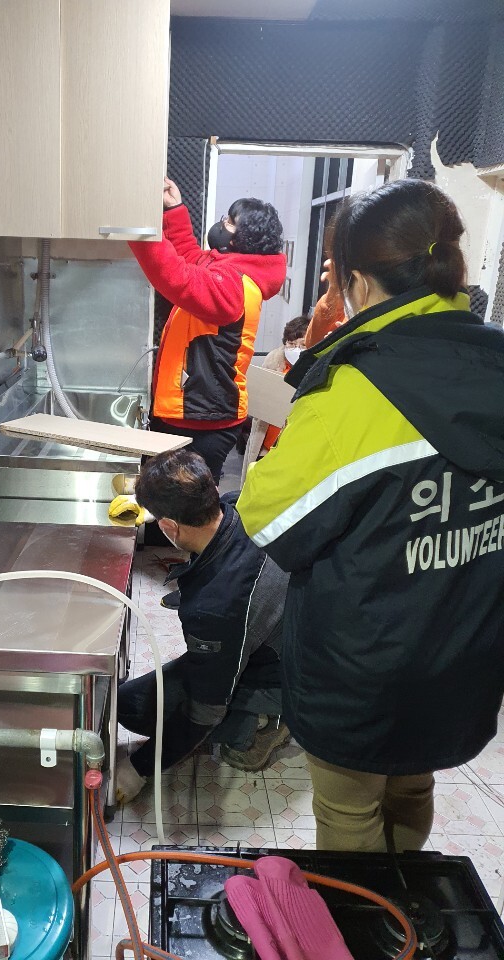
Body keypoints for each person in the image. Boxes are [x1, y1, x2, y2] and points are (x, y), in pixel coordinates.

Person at [237, 178, 504, 853]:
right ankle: (402, 903)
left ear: (357, 281)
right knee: (413, 786)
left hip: (365, 667)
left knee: (350, 811)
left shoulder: (355, 390)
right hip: (464, 650)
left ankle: (365, 912)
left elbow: (267, 518)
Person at [116, 449, 290, 803]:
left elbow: (205, 708)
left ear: (169, 527)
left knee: (135, 710)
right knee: (135, 700)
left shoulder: (215, 611)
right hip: (289, 632)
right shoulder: (240, 504)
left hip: (285, 673)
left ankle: (266, 723)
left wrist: (140, 768)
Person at [129, 178, 286, 485]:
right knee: (172, 499)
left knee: (181, 502)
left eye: (230, 221)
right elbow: (190, 256)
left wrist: (137, 227)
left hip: (201, 419)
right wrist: (174, 209)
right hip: (198, 413)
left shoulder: (233, 285)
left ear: (242, 238)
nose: (221, 223)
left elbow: (176, 275)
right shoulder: (228, 271)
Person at [259, 314, 310, 452]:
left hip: (298, 441)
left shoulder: (316, 367)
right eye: (291, 344)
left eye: (303, 345)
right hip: (269, 440)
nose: (296, 349)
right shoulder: (273, 361)